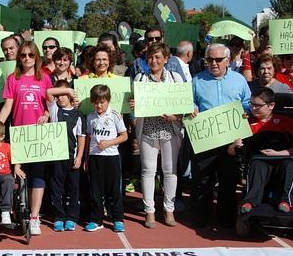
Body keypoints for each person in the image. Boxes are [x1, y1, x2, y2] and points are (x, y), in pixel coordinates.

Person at [190, 43, 251, 228]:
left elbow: (247, 103)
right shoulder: (197, 80)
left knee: (228, 181)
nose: (214, 63)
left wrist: (246, 112)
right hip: (205, 139)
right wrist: (191, 108)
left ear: (228, 60)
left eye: (218, 59)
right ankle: (202, 216)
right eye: (210, 59)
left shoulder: (239, 80)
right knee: (202, 181)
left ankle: (225, 219)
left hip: (231, 140)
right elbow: (189, 102)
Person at [0, 41, 53, 235]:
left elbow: (51, 107)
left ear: (36, 57)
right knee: (16, 174)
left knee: (37, 176)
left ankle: (35, 217)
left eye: (30, 55)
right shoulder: (13, 79)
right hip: (18, 134)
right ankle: (16, 210)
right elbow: (7, 107)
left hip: (39, 136)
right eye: (23, 55)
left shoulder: (45, 79)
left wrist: (46, 115)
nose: (27, 58)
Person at [131, 43, 184, 228]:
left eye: (158, 57)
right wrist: (134, 106)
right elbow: (134, 105)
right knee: (148, 171)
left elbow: (184, 104)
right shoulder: (140, 78)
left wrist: (175, 116)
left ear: (166, 59)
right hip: (147, 130)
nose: (154, 61)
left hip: (170, 131)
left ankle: (169, 209)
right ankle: (150, 211)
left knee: (170, 171)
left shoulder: (175, 78)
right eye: (151, 58)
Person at [227, 88, 293, 215]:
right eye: (251, 104)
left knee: (290, 164)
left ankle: (285, 201)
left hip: (283, 160)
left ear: (271, 105)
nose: (253, 108)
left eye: (258, 105)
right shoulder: (245, 124)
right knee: (256, 164)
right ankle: (249, 202)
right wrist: (235, 145)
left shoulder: (287, 122)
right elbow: (231, 152)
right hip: (259, 161)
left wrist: (278, 154)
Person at [84, 85, 128, 232]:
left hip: (111, 157)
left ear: (108, 101)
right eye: (96, 102)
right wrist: (86, 159)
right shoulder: (90, 117)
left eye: (102, 102)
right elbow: (89, 138)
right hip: (95, 157)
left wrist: (109, 142)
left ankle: (117, 219)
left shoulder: (115, 115)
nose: (99, 105)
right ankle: (97, 220)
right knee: (95, 190)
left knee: (114, 189)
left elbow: (124, 136)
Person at [46, 80, 84, 232]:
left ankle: (72, 217)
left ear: (71, 96)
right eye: (59, 94)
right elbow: (48, 92)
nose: (60, 97)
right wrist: (66, 90)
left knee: (73, 189)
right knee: (57, 188)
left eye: (64, 94)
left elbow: (81, 137)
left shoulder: (78, 115)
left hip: (72, 157)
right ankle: (59, 216)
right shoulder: (55, 110)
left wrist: (79, 157)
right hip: (57, 157)